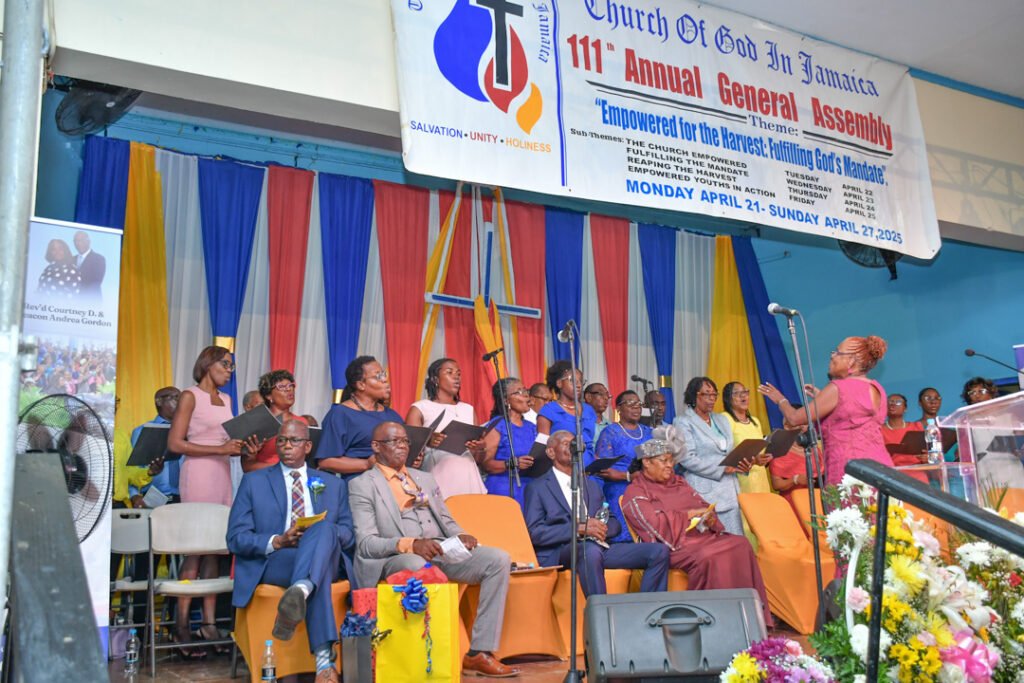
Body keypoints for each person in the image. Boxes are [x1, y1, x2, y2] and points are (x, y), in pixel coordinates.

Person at [349, 422, 519, 678]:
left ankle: (479, 653)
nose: (402, 447)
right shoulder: (363, 484)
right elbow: (366, 543)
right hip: (397, 557)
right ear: (376, 446)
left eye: (405, 441)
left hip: (440, 549)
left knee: (497, 559)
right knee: (419, 567)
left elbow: (446, 520)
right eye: (394, 442)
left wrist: (461, 535)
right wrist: (411, 544)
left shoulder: (424, 478)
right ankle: (432, 656)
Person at [227, 419, 354, 683]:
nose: (286, 445)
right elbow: (236, 538)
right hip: (278, 560)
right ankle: (323, 664)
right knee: (312, 575)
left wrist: (321, 534)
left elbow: (348, 534)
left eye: (294, 440)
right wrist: (277, 540)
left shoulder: (333, 483)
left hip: (323, 555)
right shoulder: (254, 481)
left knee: (324, 529)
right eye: (282, 440)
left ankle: (301, 589)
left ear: (307, 446)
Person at [622, 439, 773, 626]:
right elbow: (652, 525)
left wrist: (709, 517)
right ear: (646, 462)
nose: (670, 466)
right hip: (674, 544)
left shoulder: (678, 482)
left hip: (702, 536)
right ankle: (715, 621)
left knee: (740, 544)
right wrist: (689, 515)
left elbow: (701, 506)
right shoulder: (636, 491)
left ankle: (751, 618)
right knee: (709, 556)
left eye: (671, 461)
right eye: (664, 461)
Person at [167, 345, 256, 656]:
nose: (230, 370)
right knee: (194, 549)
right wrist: (221, 450)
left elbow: (226, 441)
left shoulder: (228, 399)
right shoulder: (189, 395)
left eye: (231, 365)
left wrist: (244, 447)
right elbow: (176, 443)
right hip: (200, 471)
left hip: (222, 473)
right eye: (225, 364)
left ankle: (208, 623)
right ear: (207, 363)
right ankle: (180, 627)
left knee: (216, 549)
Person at [524, 431, 668, 596]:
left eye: (575, 444)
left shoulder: (591, 485)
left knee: (658, 552)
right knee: (589, 550)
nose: (574, 448)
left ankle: (649, 613)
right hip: (563, 550)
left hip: (599, 547)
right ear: (551, 452)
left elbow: (613, 522)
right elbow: (535, 533)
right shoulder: (538, 487)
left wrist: (602, 526)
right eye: (567, 444)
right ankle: (600, 614)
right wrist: (578, 528)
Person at [759, 335, 894, 486]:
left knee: (849, 509)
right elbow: (853, 412)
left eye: (837, 352)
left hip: (849, 471)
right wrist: (822, 397)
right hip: (880, 468)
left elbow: (795, 419)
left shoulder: (839, 388)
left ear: (850, 361)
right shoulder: (877, 388)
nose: (832, 356)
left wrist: (780, 400)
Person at [672, 377, 752, 536]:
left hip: (730, 489)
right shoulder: (683, 422)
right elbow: (687, 459)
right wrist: (722, 469)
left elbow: (730, 452)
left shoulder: (721, 419)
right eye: (706, 394)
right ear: (695, 396)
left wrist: (742, 464)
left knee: (735, 540)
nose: (711, 399)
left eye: (714, 395)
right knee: (712, 542)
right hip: (705, 492)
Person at [405, 358, 487, 498]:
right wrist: (428, 440)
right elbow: (409, 450)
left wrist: (479, 447)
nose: (456, 377)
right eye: (449, 372)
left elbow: (478, 457)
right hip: (435, 470)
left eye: (459, 373)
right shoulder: (420, 408)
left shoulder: (468, 409)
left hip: (468, 471)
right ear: (435, 379)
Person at [317, 356, 404, 479]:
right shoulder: (340, 414)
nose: (385, 380)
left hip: (395, 482)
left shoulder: (393, 415)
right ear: (361, 385)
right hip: (361, 483)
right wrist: (366, 464)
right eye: (378, 376)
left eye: (384, 375)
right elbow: (326, 461)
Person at [592, 390, 652, 543]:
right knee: (626, 538)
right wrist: (628, 476)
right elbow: (601, 469)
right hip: (619, 489)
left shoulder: (648, 432)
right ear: (618, 408)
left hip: (646, 488)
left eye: (638, 404)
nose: (636, 408)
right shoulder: (611, 432)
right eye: (631, 404)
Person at [480, 378, 537, 506]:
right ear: (506, 401)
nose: (526, 395)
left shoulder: (532, 427)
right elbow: (486, 464)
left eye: (525, 390)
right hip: (504, 488)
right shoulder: (497, 425)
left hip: (530, 488)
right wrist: (512, 463)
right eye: (519, 392)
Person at [961, 377, 1024, 489]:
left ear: (991, 393)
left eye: (981, 391)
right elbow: (964, 452)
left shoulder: (1008, 414)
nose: (977, 395)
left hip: (1012, 472)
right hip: (985, 474)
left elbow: (1021, 441)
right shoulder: (965, 420)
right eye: (972, 392)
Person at [243, 370, 308, 473]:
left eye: (291, 386)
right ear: (269, 396)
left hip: (295, 481)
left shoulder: (302, 422)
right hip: (266, 479)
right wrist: (281, 468)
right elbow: (247, 466)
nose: (289, 390)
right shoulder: (258, 422)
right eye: (282, 387)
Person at [537, 361, 598, 469]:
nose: (579, 385)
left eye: (581, 381)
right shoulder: (549, 411)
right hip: (562, 469)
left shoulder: (588, 410)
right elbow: (543, 448)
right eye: (573, 381)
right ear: (559, 383)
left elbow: (590, 442)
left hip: (589, 470)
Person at [767, 406, 824, 512]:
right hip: (793, 506)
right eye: (799, 422)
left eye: (805, 422)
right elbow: (776, 484)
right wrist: (795, 480)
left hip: (818, 502)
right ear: (787, 426)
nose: (803, 427)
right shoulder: (780, 451)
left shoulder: (815, 449)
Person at [130, 386, 181, 503]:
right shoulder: (142, 431)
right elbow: (132, 468)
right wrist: (133, 495)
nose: (180, 402)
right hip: (154, 498)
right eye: (175, 398)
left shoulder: (188, 430)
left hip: (184, 497)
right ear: (159, 401)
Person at [721, 381, 773, 493]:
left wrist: (766, 457)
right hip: (740, 482)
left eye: (745, 392)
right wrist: (754, 461)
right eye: (737, 393)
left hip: (761, 481)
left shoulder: (755, 421)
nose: (743, 396)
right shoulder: (725, 419)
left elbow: (760, 451)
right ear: (728, 399)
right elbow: (724, 455)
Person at [881, 393, 928, 480]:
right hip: (891, 474)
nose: (893, 404)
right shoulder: (879, 430)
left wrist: (926, 457)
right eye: (890, 402)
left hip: (917, 473)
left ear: (905, 408)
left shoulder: (916, 426)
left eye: (898, 402)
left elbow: (926, 451)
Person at [73, 230, 106, 295]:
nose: (78, 243)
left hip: (91, 300)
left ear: (88, 242)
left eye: (81, 240)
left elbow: (96, 282)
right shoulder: (71, 259)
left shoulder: (99, 259)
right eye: (76, 241)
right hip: (71, 302)